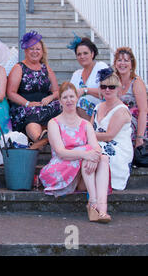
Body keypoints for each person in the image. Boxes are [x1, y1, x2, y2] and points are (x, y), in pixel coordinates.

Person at [39, 82, 111, 223]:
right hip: (61, 170)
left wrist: (91, 156)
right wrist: (86, 154)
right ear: (60, 101)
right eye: (65, 97)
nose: (69, 100)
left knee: (103, 158)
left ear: (77, 98)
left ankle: (101, 210)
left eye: (72, 96)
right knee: (88, 153)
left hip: (82, 173)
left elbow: (96, 148)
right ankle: (93, 203)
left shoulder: (86, 124)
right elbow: (61, 152)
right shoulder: (54, 123)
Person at [7, 31, 61, 142]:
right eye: (31, 49)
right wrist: (28, 103)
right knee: (32, 116)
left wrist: (50, 98)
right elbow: (11, 93)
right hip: (25, 106)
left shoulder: (46, 68)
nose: (35, 52)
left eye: (38, 49)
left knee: (62, 106)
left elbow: (57, 91)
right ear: (25, 51)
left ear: (42, 51)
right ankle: (39, 138)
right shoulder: (19, 68)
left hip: (44, 105)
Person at [92, 68, 133, 191]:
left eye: (112, 87)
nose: (107, 90)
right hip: (99, 143)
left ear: (118, 88)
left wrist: (87, 135)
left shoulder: (121, 110)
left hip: (117, 148)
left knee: (92, 152)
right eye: (104, 86)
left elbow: (109, 136)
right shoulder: (98, 107)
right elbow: (89, 128)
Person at [68, 34, 108, 120]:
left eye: (85, 53)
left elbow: (108, 91)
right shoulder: (76, 74)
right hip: (77, 112)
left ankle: (89, 130)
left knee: (81, 102)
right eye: (79, 54)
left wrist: (85, 90)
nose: (82, 57)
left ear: (92, 54)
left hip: (102, 110)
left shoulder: (101, 67)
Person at [114, 47, 147, 147]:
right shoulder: (113, 81)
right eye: (119, 60)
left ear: (132, 64)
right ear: (115, 63)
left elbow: (143, 111)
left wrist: (140, 138)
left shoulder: (136, 82)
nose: (122, 63)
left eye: (126, 60)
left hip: (134, 125)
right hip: (117, 121)